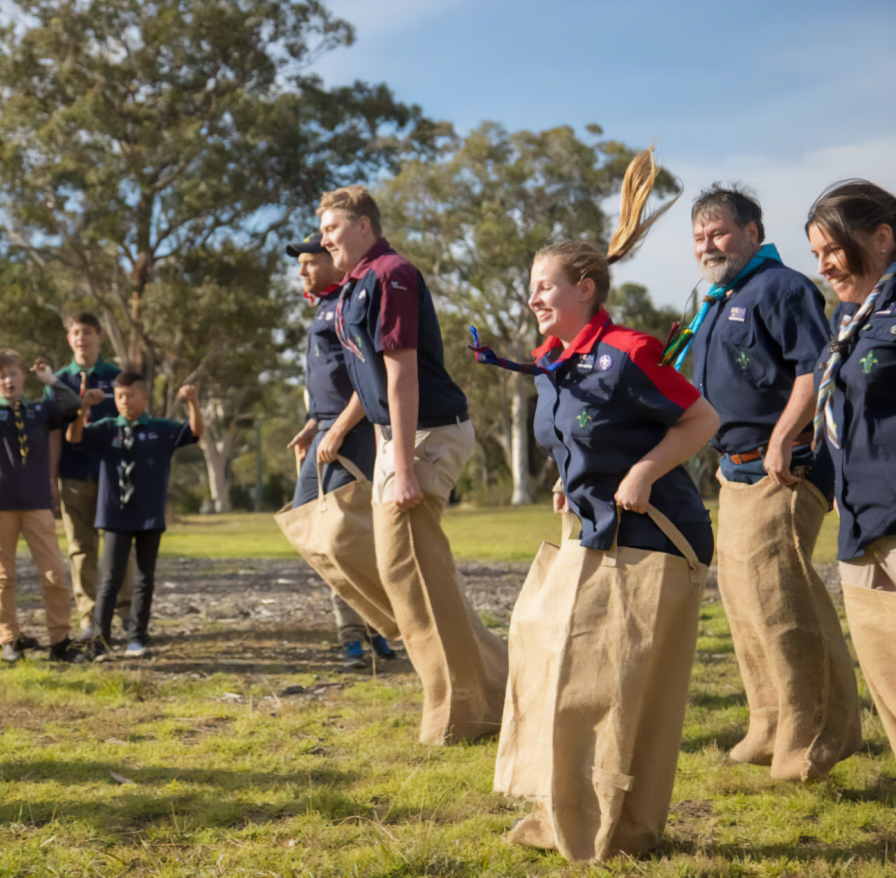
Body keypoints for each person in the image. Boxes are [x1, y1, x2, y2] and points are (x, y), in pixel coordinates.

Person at [485, 147, 719, 861]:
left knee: (610, 694)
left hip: (653, 541)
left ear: (585, 288)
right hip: (591, 535)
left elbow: (701, 420)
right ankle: (566, 816)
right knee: (555, 670)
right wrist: (571, 475)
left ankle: (616, 831)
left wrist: (645, 470)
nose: (533, 298)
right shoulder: (551, 362)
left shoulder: (628, 351)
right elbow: (576, 437)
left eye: (544, 286)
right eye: (531, 287)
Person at [318, 185, 508, 744]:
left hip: (425, 434)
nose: (325, 239)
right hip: (394, 437)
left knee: (414, 574)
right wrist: (356, 433)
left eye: (332, 228)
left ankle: (464, 710)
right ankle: (495, 686)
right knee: (411, 574)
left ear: (362, 226)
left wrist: (401, 464)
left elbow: (402, 376)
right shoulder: (354, 285)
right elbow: (369, 379)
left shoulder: (391, 274)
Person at [684, 184, 860, 780]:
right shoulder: (717, 296)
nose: (709, 245)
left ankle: (814, 737)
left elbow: (816, 372)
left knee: (782, 604)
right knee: (743, 604)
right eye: (700, 237)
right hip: (735, 473)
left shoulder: (782, 288)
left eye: (720, 233)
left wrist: (784, 437)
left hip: (783, 468)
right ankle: (768, 723)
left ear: (753, 233)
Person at [807, 180, 896, 753]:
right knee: (887, 681)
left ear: (883, 237)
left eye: (832, 250)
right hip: (860, 523)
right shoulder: (848, 317)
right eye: (816, 255)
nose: (823, 265)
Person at [283, 231, 396, 669]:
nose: (302, 270)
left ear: (332, 259)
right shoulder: (325, 306)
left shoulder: (352, 303)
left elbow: (370, 378)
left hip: (353, 431)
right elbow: (334, 380)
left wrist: (338, 430)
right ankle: (370, 626)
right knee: (323, 533)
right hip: (327, 429)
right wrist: (314, 425)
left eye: (309, 261)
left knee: (336, 536)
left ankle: (364, 630)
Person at [67, 373, 201, 659]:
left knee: (144, 578)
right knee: (110, 579)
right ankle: (101, 640)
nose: (124, 401)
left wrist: (193, 403)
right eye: (119, 396)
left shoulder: (161, 429)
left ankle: (137, 637)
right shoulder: (105, 429)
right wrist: (82, 409)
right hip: (115, 515)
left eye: (130, 395)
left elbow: (194, 433)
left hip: (149, 515)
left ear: (145, 396)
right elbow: (73, 437)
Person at [0, 346, 83, 663]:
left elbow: (72, 405)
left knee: (54, 573)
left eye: (13, 374)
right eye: (0, 375)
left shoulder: (40, 411)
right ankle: (9, 639)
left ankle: (60, 640)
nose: (8, 380)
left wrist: (50, 379)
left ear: (23, 377)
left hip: (36, 502)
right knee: (2, 577)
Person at [50, 312, 129, 641]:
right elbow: (51, 432)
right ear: (69, 339)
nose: (81, 338)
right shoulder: (56, 382)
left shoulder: (117, 377)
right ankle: (89, 618)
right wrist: (50, 478)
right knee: (81, 548)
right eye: (75, 333)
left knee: (119, 545)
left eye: (88, 332)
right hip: (73, 475)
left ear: (99, 337)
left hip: (113, 475)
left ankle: (125, 617)